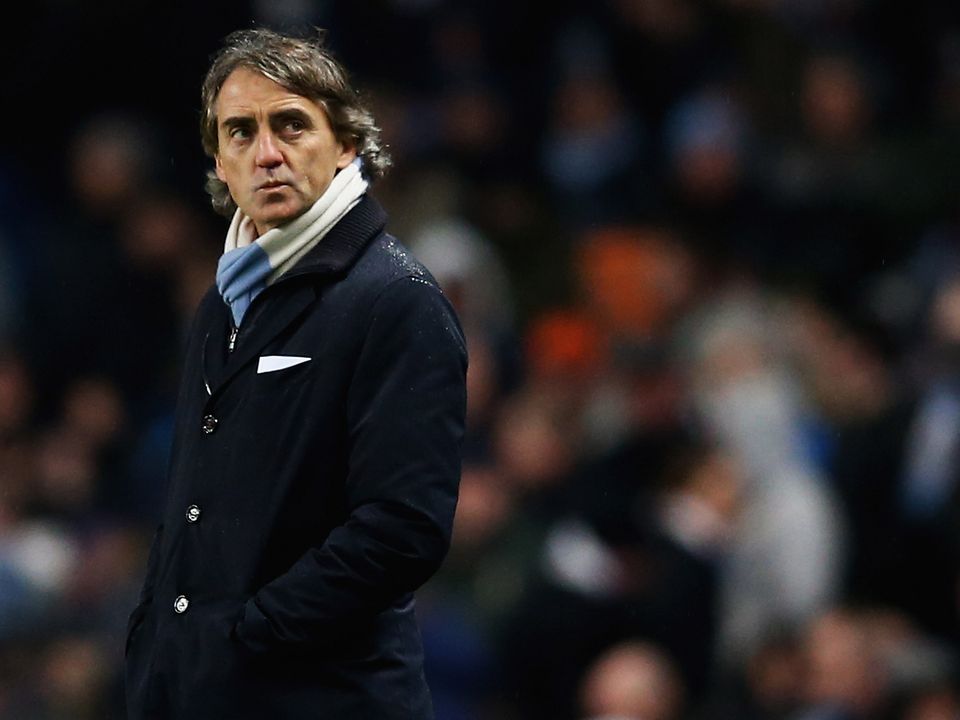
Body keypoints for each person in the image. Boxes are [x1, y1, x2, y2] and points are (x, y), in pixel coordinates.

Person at [124, 27, 468, 719]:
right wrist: (156, 645)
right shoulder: (220, 303)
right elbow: (192, 503)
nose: (267, 154)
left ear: (346, 144)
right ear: (219, 162)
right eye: (240, 133)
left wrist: (248, 635)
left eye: (290, 125)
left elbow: (402, 529)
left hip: (323, 698)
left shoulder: (396, 299)